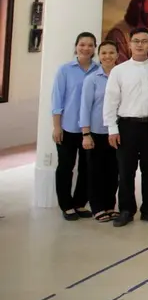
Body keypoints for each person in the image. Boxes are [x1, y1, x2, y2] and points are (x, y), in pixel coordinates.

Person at [104, 27, 148, 227]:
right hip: (126, 126)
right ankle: (126, 210)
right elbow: (110, 101)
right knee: (126, 171)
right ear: (129, 43)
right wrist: (112, 129)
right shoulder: (119, 70)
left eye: (144, 41)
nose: (140, 45)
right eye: (136, 41)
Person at [51, 32, 100, 221]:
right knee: (65, 167)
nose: (86, 48)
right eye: (82, 44)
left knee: (87, 168)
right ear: (76, 46)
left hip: (90, 129)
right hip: (68, 127)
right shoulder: (65, 70)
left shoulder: (99, 70)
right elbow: (57, 100)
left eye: (90, 45)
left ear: (94, 48)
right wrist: (57, 127)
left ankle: (80, 203)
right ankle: (66, 205)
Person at [79, 40, 120, 222]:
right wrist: (86, 134)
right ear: (99, 55)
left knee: (113, 171)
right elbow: (85, 108)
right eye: (103, 53)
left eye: (111, 52)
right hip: (96, 132)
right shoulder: (92, 79)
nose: (107, 56)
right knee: (96, 171)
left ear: (117, 55)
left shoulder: (121, 75)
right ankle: (97, 207)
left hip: (117, 132)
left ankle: (110, 205)